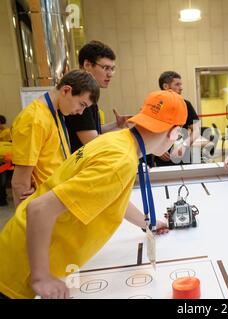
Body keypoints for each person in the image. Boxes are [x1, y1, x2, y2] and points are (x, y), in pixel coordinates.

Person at [0, 90, 187, 299]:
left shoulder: (118, 140)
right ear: (174, 132)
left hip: (21, 242)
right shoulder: (120, 161)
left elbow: (110, 196)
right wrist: (41, 276)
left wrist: (149, 222)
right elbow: (40, 209)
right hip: (21, 268)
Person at [11, 70, 99, 208]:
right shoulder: (34, 119)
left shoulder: (56, 114)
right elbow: (20, 182)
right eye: (81, 104)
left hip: (56, 199)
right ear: (66, 90)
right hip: (44, 206)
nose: (81, 112)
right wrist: (27, 221)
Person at [65, 40, 130, 154]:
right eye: (105, 68)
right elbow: (92, 142)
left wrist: (116, 125)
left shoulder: (89, 94)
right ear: (87, 65)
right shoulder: (79, 96)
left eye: (112, 69)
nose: (110, 74)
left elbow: (93, 131)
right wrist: (128, 137)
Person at [152, 71, 200, 166]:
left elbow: (196, 131)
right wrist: (156, 149)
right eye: (177, 84)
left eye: (181, 84)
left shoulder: (186, 104)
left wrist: (184, 145)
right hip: (163, 159)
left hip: (183, 157)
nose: (181, 88)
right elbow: (148, 133)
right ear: (165, 86)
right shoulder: (155, 106)